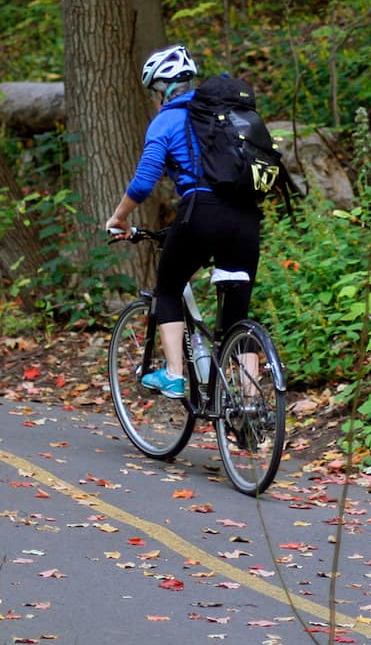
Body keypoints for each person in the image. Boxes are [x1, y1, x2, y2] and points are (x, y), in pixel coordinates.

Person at [106, 44, 263, 399]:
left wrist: (119, 217)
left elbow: (145, 182)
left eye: (154, 92)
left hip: (202, 212)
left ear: (161, 88)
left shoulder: (167, 119)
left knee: (168, 288)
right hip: (247, 216)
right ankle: (252, 409)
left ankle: (175, 374)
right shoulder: (225, 116)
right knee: (238, 316)